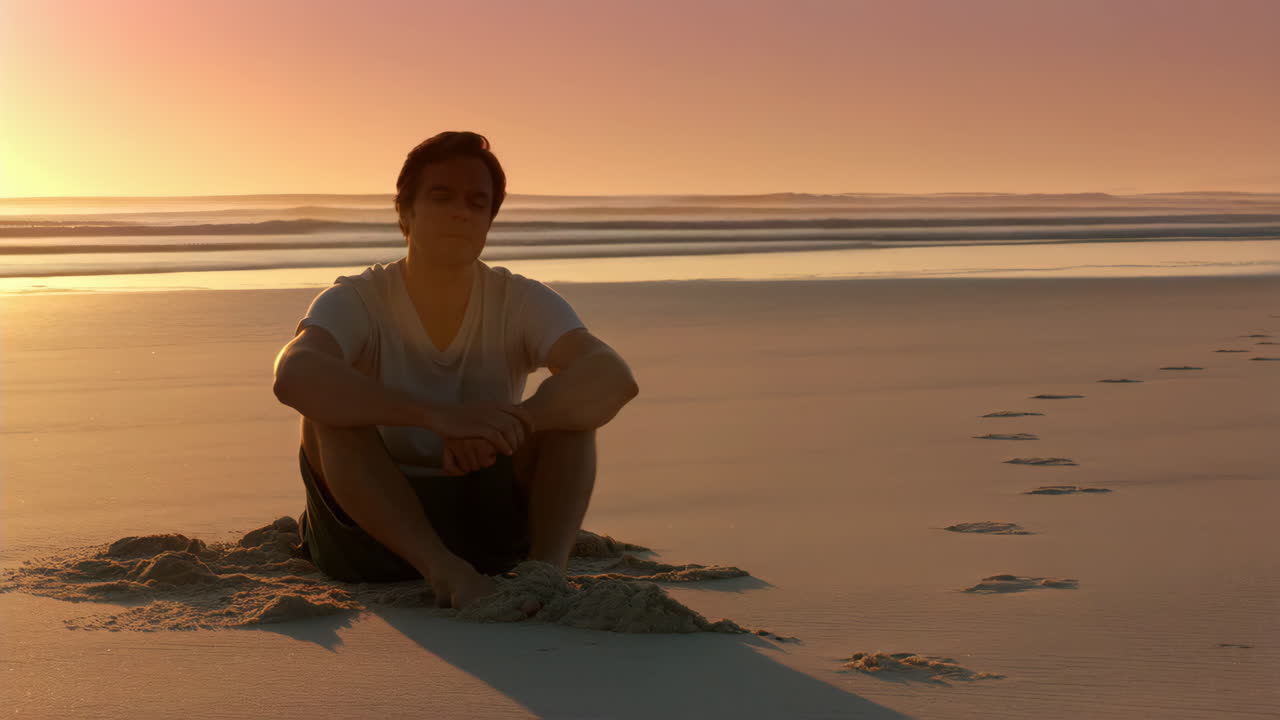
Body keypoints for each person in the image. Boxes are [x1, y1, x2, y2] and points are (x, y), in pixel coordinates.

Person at [271, 131, 639, 612]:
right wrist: (438, 417)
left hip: (488, 528)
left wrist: (514, 424)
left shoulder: (520, 299)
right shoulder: (358, 298)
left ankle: (546, 575)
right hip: (371, 535)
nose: (460, 211)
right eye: (441, 196)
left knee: (572, 411)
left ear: (489, 221)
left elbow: (613, 376)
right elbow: (293, 373)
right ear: (406, 212)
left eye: (477, 202)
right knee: (324, 416)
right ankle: (443, 571)